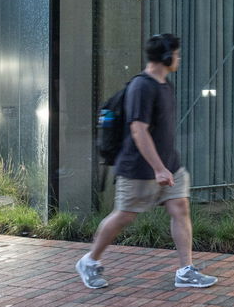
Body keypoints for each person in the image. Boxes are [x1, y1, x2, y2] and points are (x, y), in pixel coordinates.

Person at [75, 33, 217, 290]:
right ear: (166, 56)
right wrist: (158, 168)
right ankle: (89, 260)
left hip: (169, 166)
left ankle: (185, 270)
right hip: (140, 169)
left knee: (180, 208)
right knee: (124, 216)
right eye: (176, 54)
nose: (179, 58)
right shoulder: (142, 87)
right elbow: (138, 130)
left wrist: (166, 166)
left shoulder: (164, 84)